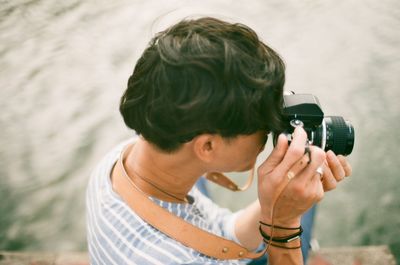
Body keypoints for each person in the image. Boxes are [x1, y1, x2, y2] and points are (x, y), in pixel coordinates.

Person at [86, 17, 352, 265]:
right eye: (261, 123)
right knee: (303, 211)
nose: (270, 131)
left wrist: (279, 201)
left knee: (299, 191)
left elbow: (218, 232)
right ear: (208, 146)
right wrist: (284, 224)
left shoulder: (122, 159)